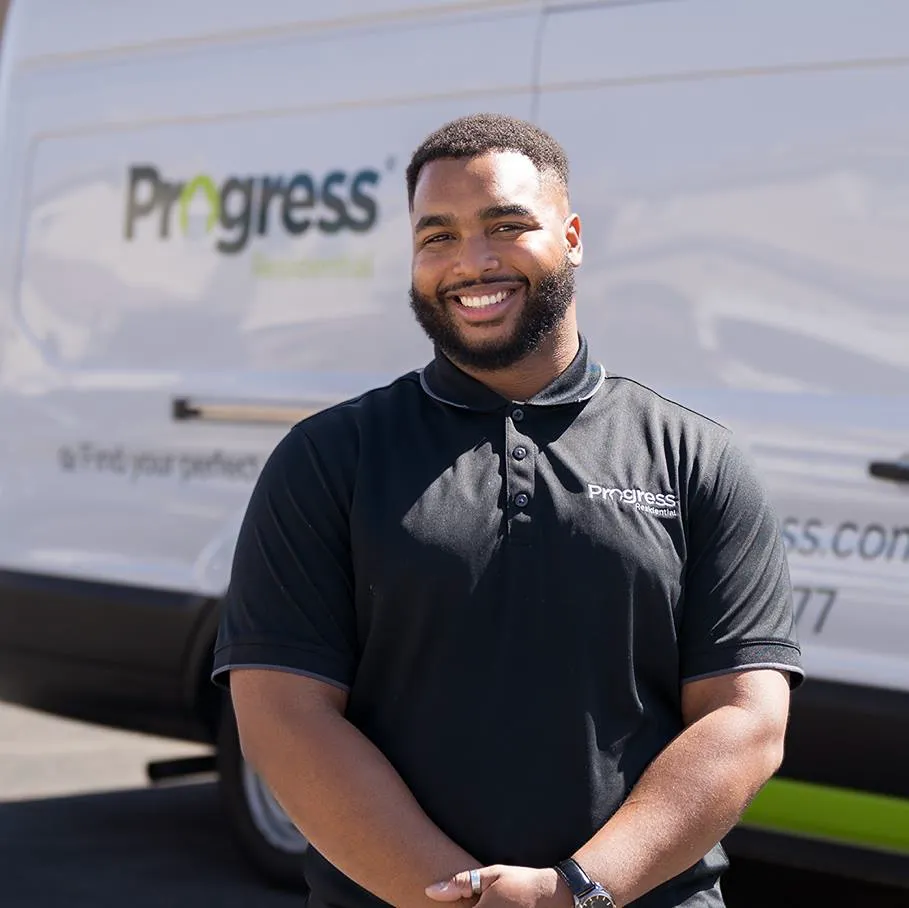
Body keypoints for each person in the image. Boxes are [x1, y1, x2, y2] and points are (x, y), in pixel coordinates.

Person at [212, 112, 804, 908]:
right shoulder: (328, 460)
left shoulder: (694, 456)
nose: (471, 262)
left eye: (506, 225)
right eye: (437, 236)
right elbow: (283, 718)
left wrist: (577, 891)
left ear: (572, 235)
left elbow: (744, 720)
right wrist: (454, 898)